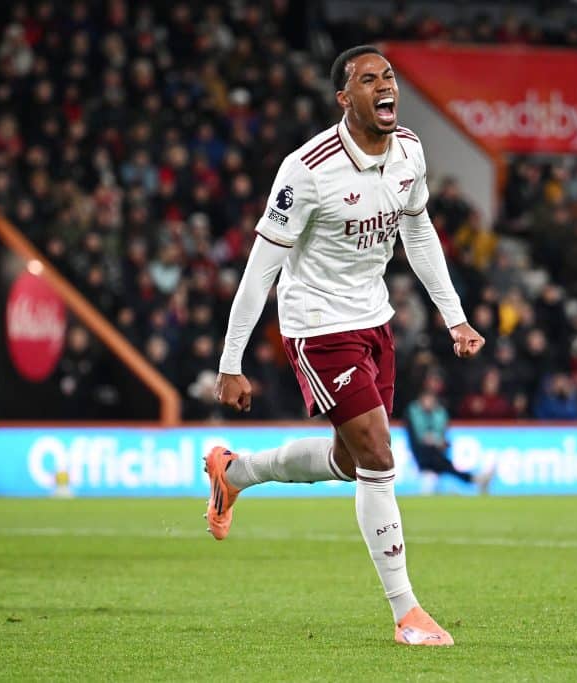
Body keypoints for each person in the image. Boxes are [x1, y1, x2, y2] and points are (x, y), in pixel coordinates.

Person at [206, 46, 485, 647]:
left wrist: (454, 317)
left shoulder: (409, 150)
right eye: (368, 79)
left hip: (374, 320)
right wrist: (231, 363)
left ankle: (235, 473)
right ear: (344, 98)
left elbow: (417, 229)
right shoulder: (306, 169)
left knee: (352, 461)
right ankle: (407, 612)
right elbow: (261, 270)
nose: (385, 86)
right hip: (316, 326)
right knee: (381, 458)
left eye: (389, 76)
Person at [405, 373, 493, 495]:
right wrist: (434, 440)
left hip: (436, 451)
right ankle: (475, 479)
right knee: (444, 464)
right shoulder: (414, 411)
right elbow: (419, 435)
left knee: (441, 462)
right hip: (419, 450)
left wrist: (436, 440)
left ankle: (475, 480)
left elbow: (441, 433)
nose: (428, 402)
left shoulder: (440, 412)